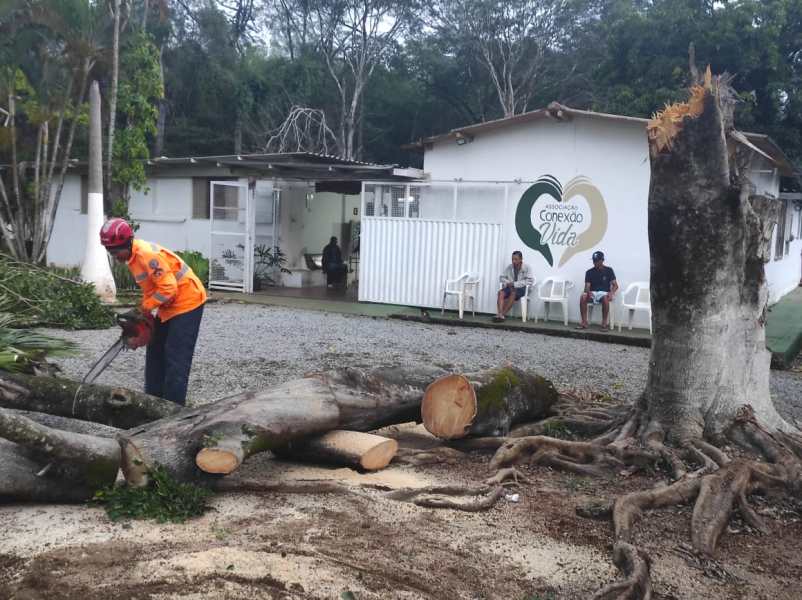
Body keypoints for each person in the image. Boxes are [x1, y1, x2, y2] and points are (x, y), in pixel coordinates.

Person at [99, 218, 206, 405]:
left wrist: (143, 309)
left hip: (188, 301)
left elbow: (168, 288)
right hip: (168, 306)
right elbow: (151, 290)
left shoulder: (146, 255)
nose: (115, 256)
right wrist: (143, 318)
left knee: (176, 357)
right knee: (155, 351)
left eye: (116, 251)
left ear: (127, 242)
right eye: (110, 252)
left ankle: (173, 409)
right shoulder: (132, 259)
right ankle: (152, 402)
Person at [578, 250, 618, 330]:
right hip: (593, 293)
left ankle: (604, 323)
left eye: (596, 261)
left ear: (602, 260)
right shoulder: (589, 272)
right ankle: (584, 322)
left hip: (604, 293)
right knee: (583, 297)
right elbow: (587, 287)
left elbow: (615, 286)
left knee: (605, 299)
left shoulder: (609, 270)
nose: (594, 262)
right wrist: (588, 292)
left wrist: (611, 293)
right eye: (593, 260)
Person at [494, 251, 535, 322]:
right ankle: (500, 314)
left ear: (521, 259)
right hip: (510, 287)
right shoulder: (510, 267)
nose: (513, 261)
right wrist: (509, 283)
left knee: (513, 292)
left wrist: (515, 284)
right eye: (512, 259)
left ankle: (502, 314)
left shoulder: (527, 267)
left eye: (516, 259)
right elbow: (501, 277)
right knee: (500, 292)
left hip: (522, 289)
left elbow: (530, 281)